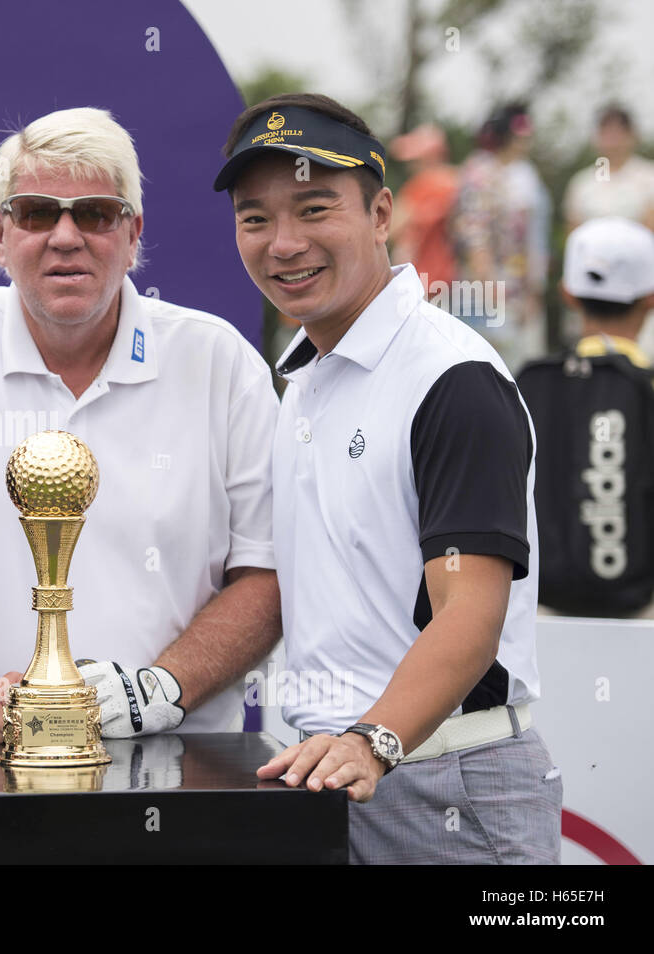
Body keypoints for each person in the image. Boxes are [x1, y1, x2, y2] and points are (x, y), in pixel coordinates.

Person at [0, 107, 282, 742]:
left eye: (97, 213)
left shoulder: (219, 359)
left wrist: (157, 692)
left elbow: (267, 571)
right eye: (38, 213)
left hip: (182, 772)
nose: (66, 236)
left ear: (133, 234)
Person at [215, 93, 561, 863]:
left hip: (445, 782)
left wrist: (375, 740)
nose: (284, 243)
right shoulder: (306, 376)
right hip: (332, 773)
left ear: (380, 214)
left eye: (314, 209)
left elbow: (469, 618)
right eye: (255, 218)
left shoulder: (452, 376)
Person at [518, 217, 654, 618]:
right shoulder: (646, 386)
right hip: (639, 609)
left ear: (567, 295)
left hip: (541, 606)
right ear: (650, 298)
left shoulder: (524, 382)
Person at [448, 103, 551, 372]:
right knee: (487, 367)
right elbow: (474, 235)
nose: (526, 142)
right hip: (486, 292)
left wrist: (533, 292)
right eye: (521, 135)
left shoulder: (525, 174)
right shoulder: (480, 173)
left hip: (518, 290)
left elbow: (533, 238)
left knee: (520, 369)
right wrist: (492, 291)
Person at [386, 123, 458, 297]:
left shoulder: (425, 185)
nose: (410, 166)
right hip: (450, 282)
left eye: (415, 160)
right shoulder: (457, 181)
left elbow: (390, 227)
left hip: (424, 284)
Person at [564, 106, 654, 233]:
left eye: (618, 133)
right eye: (606, 133)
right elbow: (574, 231)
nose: (612, 141)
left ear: (631, 135)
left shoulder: (649, 176)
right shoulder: (582, 182)